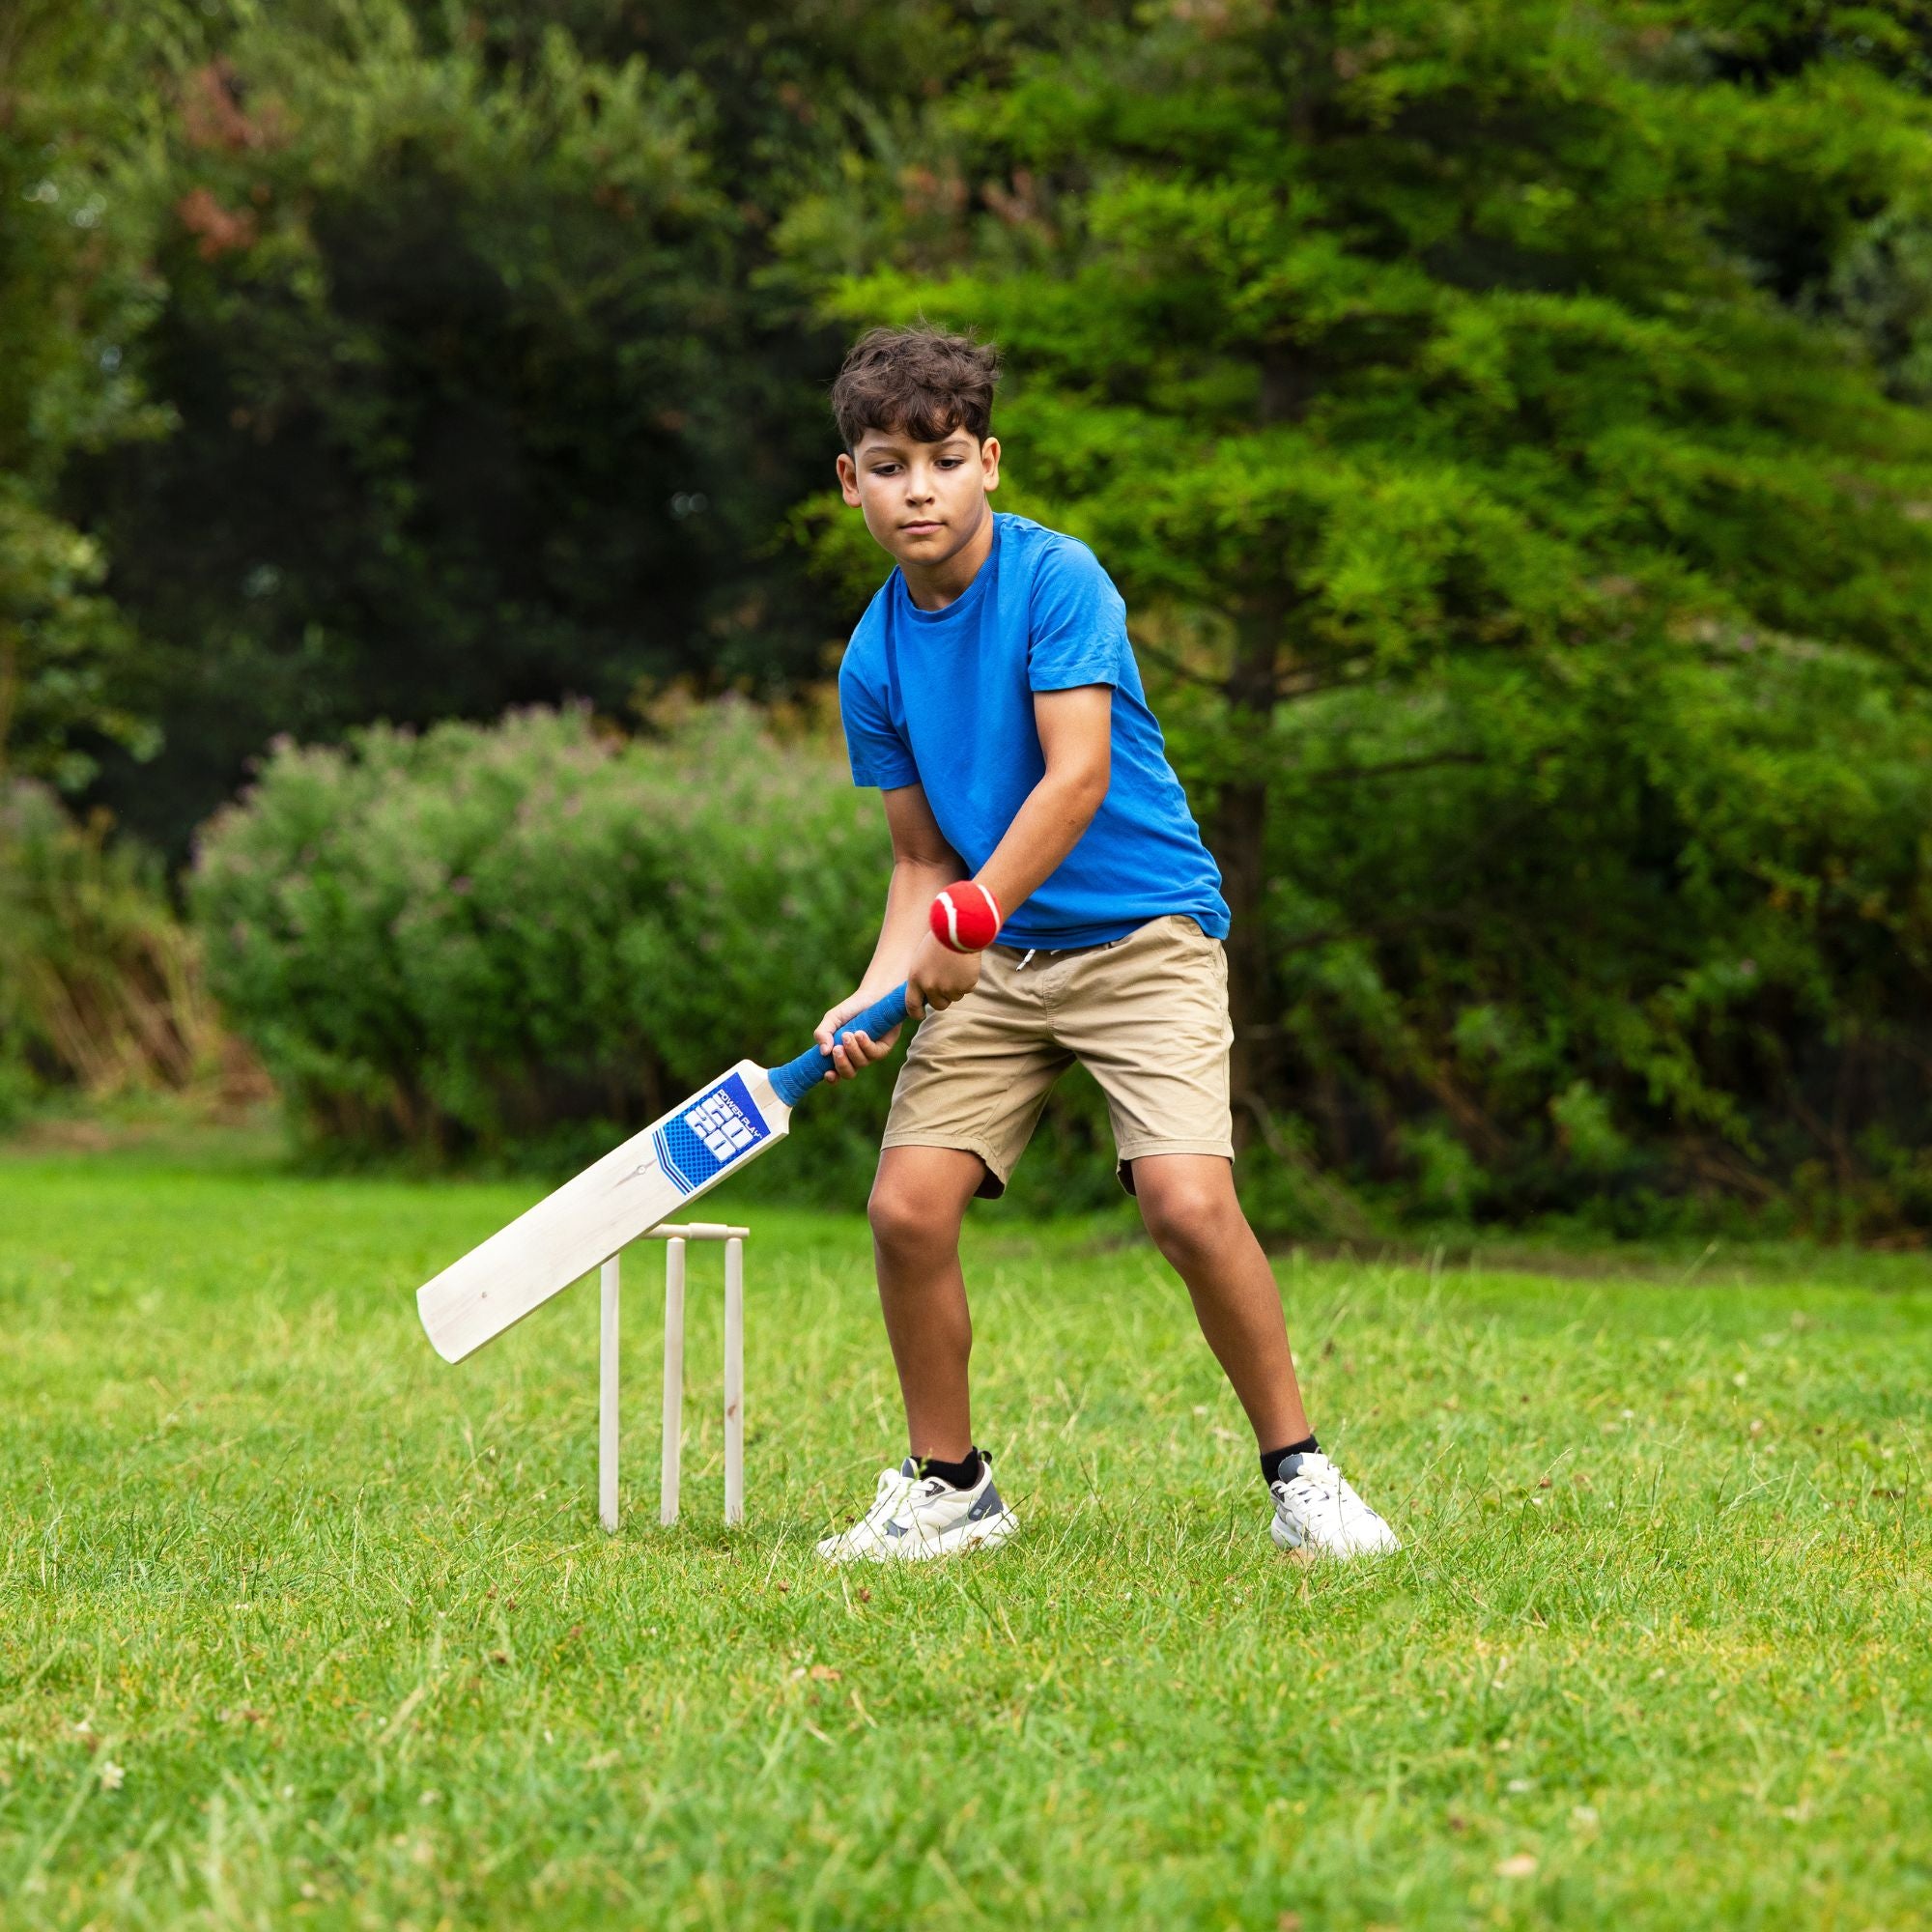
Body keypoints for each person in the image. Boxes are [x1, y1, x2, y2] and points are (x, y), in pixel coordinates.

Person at [810, 326, 1398, 1565]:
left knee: (1186, 1204)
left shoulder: (1055, 578)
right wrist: (869, 994)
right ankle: (950, 1486)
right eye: (886, 464)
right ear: (847, 482)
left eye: (944, 459)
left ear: (989, 464)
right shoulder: (871, 656)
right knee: (905, 1210)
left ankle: (1301, 1474)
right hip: (1001, 955)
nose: (918, 488)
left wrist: (966, 920)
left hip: (1145, 934)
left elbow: (1073, 780)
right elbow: (920, 861)